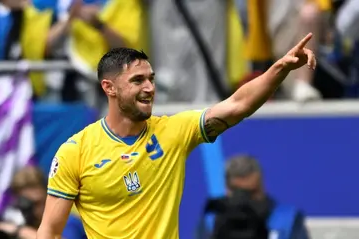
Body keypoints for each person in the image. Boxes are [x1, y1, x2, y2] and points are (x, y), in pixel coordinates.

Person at [37, 33, 316, 239]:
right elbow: (49, 231)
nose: (149, 88)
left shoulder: (174, 131)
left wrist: (280, 69)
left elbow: (237, 106)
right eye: (137, 81)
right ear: (109, 88)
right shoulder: (76, 151)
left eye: (151, 78)